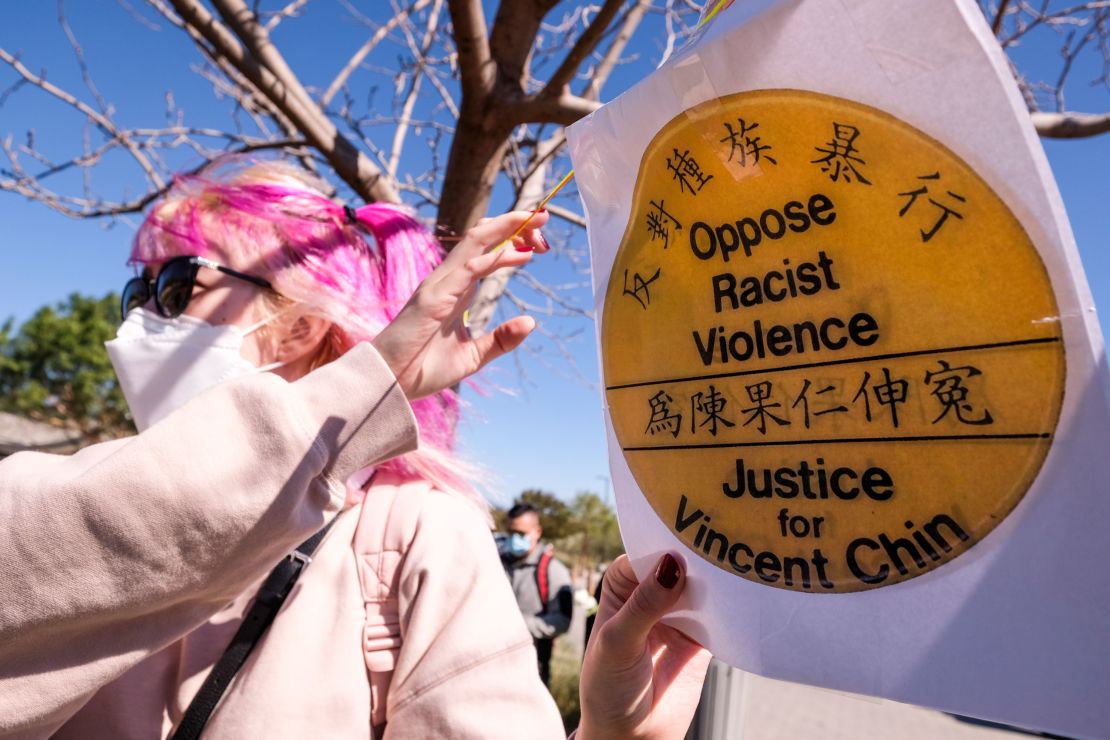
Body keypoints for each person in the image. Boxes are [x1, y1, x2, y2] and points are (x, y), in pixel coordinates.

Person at [0, 156, 711, 740]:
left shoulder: (416, 531)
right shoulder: (86, 486)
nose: (142, 316)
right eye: (138, 292)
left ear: (303, 326)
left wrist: (616, 737)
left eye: (174, 283)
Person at [502, 501, 574, 686]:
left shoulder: (553, 570)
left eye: (521, 534)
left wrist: (519, 625)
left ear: (537, 532)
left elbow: (563, 621)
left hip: (532, 668)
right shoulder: (498, 562)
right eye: (511, 533)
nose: (514, 538)